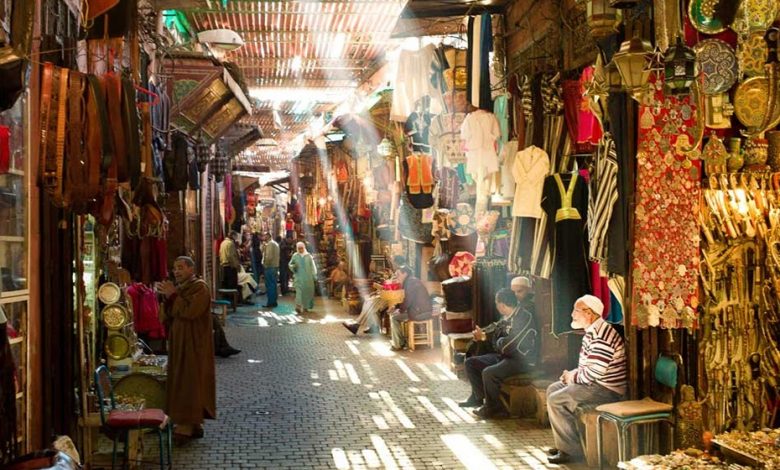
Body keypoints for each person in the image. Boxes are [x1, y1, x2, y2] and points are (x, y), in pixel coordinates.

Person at [545, 295, 626, 464]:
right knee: (552, 389)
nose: (573, 314)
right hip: (595, 383)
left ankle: (571, 452)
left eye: (576, 310)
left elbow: (593, 374)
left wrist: (571, 376)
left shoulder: (601, 336)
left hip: (606, 389)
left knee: (556, 399)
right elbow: (589, 367)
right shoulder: (594, 331)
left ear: (589, 313)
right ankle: (567, 444)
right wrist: (572, 375)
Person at [157, 257, 216, 439]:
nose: (176, 271)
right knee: (182, 378)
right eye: (174, 268)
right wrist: (166, 299)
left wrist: (173, 295)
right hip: (179, 341)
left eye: (181, 268)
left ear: (191, 269)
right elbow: (166, 315)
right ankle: (192, 422)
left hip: (194, 343)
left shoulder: (200, 288)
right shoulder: (181, 288)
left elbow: (190, 311)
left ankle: (186, 424)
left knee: (189, 380)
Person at [459, 288, 539, 419]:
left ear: (501, 305)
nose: (496, 306)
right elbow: (495, 331)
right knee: (471, 363)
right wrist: (483, 335)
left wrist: (496, 341)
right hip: (507, 357)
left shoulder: (524, 317)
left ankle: (495, 408)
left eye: (496, 303)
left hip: (522, 360)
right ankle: (478, 398)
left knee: (489, 372)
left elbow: (508, 344)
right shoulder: (507, 317)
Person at [389, 266, 432, 351]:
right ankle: (400, 341)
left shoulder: (410, 282)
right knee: (395, 314)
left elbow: (408, 300)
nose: (397, 276)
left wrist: (400, 310)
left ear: (405, 274)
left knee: (394, 317)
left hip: (419, 312)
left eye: (398, 274)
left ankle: (398, 344)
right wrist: (397, 307)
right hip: (419, 310)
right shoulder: (410, 281)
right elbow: (406, 300)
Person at [288, 242, 316, 313]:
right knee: (299, 293)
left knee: (306, 293)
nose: (300, 250)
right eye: (299, 248)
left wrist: (314, 275)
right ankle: (298, 306)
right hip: (298, 277)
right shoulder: (295, 255)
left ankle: (306, 307)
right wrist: (293, 267)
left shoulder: (308, 256)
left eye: (301, 248)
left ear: (304, 248)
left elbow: (312, 267)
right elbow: (290, 264)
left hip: (308, 278)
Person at [261, 233, 280, 308]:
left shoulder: (270, 244)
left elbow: (269, 257)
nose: (263, 237)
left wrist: (265, 265)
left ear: (268, 236)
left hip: (270, 267)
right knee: (273, 284)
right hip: (275, 266)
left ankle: (270, 302)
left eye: (264, 236)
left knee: (270, 285)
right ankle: (274, 301)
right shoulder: (275, 244)